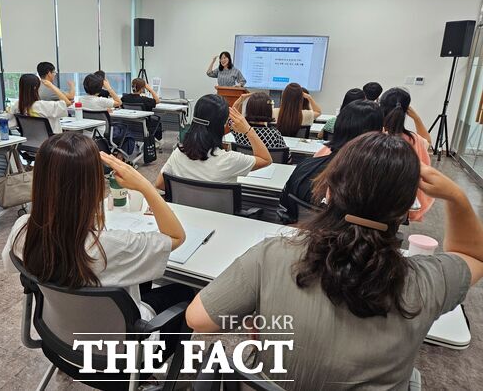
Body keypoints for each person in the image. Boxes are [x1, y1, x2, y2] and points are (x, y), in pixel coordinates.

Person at [186, 132, 483, 390]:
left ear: (329, 190)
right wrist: (456, 197)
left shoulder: (274, 254)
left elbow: (197, 319)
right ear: (407, 210)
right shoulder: (428, 281)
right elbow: (472, 256)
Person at [2, 132, 194, 349]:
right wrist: (144, 185)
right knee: (185, 292)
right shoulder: (110, 246)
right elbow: (177, 236)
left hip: (60, 340)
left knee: (143, 280)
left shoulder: (23, 229)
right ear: (93, 185)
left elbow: (10, 265)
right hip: (120, 356)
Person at [279, 100, 384, 223]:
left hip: (301, 237)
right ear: (375, 136)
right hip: (346, 241)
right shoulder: (375, 181)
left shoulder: (305, 166)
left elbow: (285, 209)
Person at [155, 94, 271, 189]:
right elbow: (266, 159)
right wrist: (248, 130)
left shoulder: (178, 153)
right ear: (222, 125)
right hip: (221, 216)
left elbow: (159, 184)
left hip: (184, 215)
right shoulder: (230, 160)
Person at [380, 87, 432, 221]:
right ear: (406, 111)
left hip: (370, 201)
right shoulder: (415, 140)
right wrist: (417, 118)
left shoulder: (372, 137)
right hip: (404, 203)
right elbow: (428, 142)